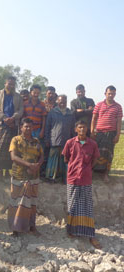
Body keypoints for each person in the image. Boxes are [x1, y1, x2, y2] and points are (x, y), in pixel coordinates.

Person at [62, 121, 102, 249]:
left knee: (87, 206)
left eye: (84, 127)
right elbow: (66, 158)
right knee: (72, 204)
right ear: (75, 129)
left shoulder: (93, 144)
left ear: (87, 129)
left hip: (86, 178)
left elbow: (95, 159)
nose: (82, 129)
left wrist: (88, 168)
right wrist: (74, 168)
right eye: (79, 127)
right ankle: (71, 230)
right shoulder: (70, 143)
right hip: (73, 178)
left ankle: (90, 234)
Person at [8, 118, 43, 237]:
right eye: (26, 126)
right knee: (16, 202)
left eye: (30, 127)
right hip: (19, 175)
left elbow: (42, 156)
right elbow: (13, 157)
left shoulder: (36, 141)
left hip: (33, 176)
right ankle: (15, 229)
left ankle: (32, 226)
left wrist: (37, 165)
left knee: (32, 202)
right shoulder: (15, 140)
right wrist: (29, 165)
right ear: (21, 127)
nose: (28, 129)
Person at [0, 76, 24, 181]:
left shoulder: (18, 97)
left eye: (13, 84)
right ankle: (0, 171)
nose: (11, 86)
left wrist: (13, 118)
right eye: (9, 84)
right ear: (5, 83)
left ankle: (7, 171)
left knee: (11, 149)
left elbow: (20, 110)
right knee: (0, 148)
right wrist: (5, 118)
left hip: (13, 125)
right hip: (1, 125)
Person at [91, 85, 122, 181]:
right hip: (99, 133)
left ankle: (105, 174)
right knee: (95, 152)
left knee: (109, 153)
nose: (111, 95)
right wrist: (92, 131)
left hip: (111, 133)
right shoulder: (99, 105)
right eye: (109, 93)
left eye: (113, 94)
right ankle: (93, 172)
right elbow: (94, 119)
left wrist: (117, 135)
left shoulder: (118, 107)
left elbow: (119, 121)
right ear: (105, 94)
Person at [44, 95, 75, 183]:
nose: (62, 103)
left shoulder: (70, 113)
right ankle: (51, 178)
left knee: (66, 160)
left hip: (67, 140)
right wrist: (47, 139)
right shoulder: (52, 112)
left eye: (64, 102)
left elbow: (73, 128)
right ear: (57, 101)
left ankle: (65, 178)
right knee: (52, 160)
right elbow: (48, 127)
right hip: (54, 140)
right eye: (61, 102)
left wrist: (73, 141)